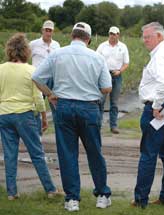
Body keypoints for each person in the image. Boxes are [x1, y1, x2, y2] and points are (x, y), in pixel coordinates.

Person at [32, 22, 112, 212]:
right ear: (89, 39)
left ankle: (72, 199)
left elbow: (36, 77)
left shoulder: (57, 54)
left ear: (72, 35)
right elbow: (107, 87)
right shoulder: (97, 57)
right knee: (94, 152)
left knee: (67, 154)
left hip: (64, 106)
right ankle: (102, 195)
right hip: (89, 107)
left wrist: (50, 94)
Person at [131, 22, 164, 209]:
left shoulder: (161, 56)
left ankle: (140, 200)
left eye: (148, 37)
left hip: (158, 108)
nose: (144, 40)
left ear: (159, 36)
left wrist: (156, 106)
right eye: (144, 37)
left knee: (148, 153)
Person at [0, 33, 60, 200]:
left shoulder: (1, 69)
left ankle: (12, 193)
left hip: (4, 115)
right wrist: (44, 116)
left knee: (9, 154)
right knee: (36, 153)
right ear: (26, 51)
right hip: (25, 115)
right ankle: (50, 189)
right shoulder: (31, 70)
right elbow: (38, 98)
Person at [96, 26, 129, 134]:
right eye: (111, 33)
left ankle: (113, 126)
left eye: (114, 34)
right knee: (101, 101)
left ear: (118, 35)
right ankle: (98, 124)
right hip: (104, 75)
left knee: (114, 103)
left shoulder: (123, 47)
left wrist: (120, 71)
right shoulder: (102, 46)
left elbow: (126, 63)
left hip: (116, 75)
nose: (112, 36)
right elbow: (96, 60)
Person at [30, 20, 60, 133]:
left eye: (50, 30)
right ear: (42, 30)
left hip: (52, 78)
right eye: (46, 30)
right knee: (37, 104)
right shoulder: (33, 44)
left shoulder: (56, 45)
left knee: (55, 104)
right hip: (38, 79)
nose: (48, 32)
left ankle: (59, 131)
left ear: (53, 31)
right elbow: (25, 56)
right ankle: (37, 132)